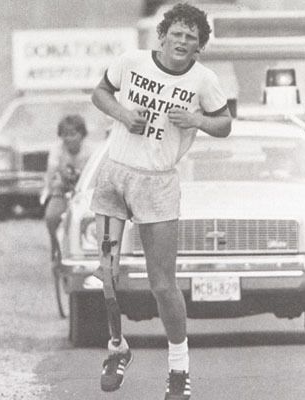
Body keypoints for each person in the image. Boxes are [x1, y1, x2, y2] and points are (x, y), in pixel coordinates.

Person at [90, 3, 232, 399]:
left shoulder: (204, 80)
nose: (182, 42)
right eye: (177, 34)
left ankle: (178, 369)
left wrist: (197, 120)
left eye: (191, 38)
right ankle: (117, 347)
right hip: (115, 173)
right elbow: (100, 93)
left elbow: (224, 123)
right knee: (106, 272)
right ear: (163, 35)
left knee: (162, 284)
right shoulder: (132, 61)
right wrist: (123, 114)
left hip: (158, 183)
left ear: (199, 46)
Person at [44, 114, 94, 265]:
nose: (69, 139)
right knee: (52, 216)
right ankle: (55, 246)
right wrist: (53, 186)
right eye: (65, 135)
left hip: (84, 192)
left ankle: (87, 249)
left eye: (73, 134)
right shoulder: (57, 150)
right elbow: (51, 173)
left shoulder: (90, 151)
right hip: (62, 189)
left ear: (82, 134)